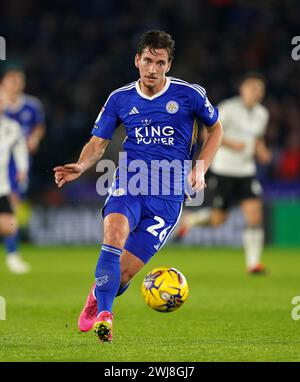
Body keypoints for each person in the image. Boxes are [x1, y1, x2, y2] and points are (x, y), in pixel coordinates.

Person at [53, 30, 223, 343]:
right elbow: (98, 143)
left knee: (123, 274)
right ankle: (106, 316)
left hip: (168, 196)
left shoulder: (190, 95)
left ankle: (97, 295)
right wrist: (81, 164)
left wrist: (201, 166)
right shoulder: (119, 98)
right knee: (113, 235)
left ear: (168, 65)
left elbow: (216, 129)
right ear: (137, 60)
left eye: (160, 62)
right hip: (129, 182)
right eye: (147, 60)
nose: (153, 68)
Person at [176, 72, 272, 274]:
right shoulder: (228, 108)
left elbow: (257, 140)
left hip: (246, 171)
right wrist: (231, 144)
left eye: (259, 90)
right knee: (219, 219)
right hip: (224, 169)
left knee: (254, 214)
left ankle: (253, 264)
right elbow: (206, 133)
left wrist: (262, 153)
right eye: (252, 88)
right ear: (242, 89)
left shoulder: (262, 114)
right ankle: (191, 220)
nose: (256, 93)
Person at [1, 66, 46, 273]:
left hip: (17, 163)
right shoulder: (1, 104)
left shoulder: (31, 105)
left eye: (19, 81)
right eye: (12, 81)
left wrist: (35, 138)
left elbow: (39, 125)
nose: (15, 84)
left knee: (14, 207)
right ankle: (12, 254)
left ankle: (12, 254)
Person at [0, 89, 29, 273]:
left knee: (10, 225)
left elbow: (20, 149)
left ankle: (12, 257)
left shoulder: (11, 127)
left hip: (2, 186)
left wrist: (22, 169)